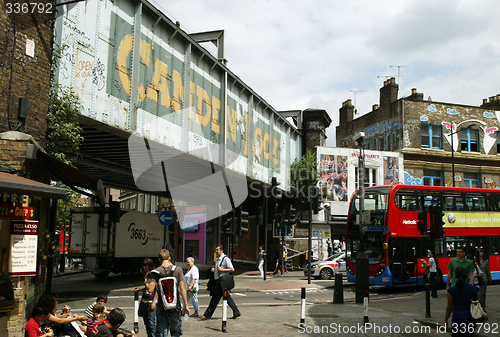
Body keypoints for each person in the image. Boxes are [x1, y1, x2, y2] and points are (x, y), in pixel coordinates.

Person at [150, 249, 189, 337]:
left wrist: (146, 279)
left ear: (159, 259)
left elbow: (150, 289)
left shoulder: (156, 272)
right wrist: (186, 305)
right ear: (170, 258)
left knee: (161, 332)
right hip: (175, 306)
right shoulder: (178, 270)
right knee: (176, 332)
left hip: (161, 306)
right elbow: (182, 289)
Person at [201, 244, 241, 320]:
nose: (216, 252)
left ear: (221, 250)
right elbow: (217, 269)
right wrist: (214, 270)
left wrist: (221, 270)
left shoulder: (226, 259)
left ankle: (207, 314)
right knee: (227, 298)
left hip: (222, 281)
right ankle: (236, 312)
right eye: (215, 250)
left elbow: (232, 269)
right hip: (218, 281)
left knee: (215, 299)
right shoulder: (217, 259)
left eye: (217, 250)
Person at [444, 266, 482, 337]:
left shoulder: (451, 291)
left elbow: (449, 307)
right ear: (466, 276)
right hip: (470, 320)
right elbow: (480, 304)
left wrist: (446, 320)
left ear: (455, 276)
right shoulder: (475, 289)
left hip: (457, 320)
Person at [134, 258, 156, 337]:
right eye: (143, 267)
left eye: (146, 267)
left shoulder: (153, 275)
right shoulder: (146, 275)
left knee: (151, 324)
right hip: (144, 301)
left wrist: (154, 302)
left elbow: (152, 289)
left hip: (150, 301)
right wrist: (141, 289)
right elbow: (147, 288)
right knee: (146, 323)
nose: (145, 269)